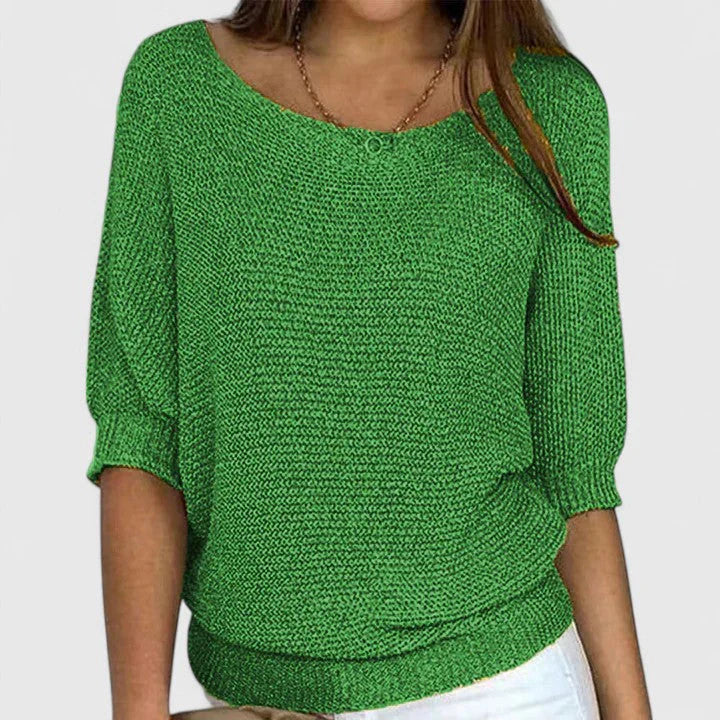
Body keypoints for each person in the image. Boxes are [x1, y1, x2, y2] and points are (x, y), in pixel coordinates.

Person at [84, 1, 653, 719]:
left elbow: (577, 476)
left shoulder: (547, 109)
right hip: (254, 696)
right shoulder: (177, 89)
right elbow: (141, 435)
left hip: (503, 687)